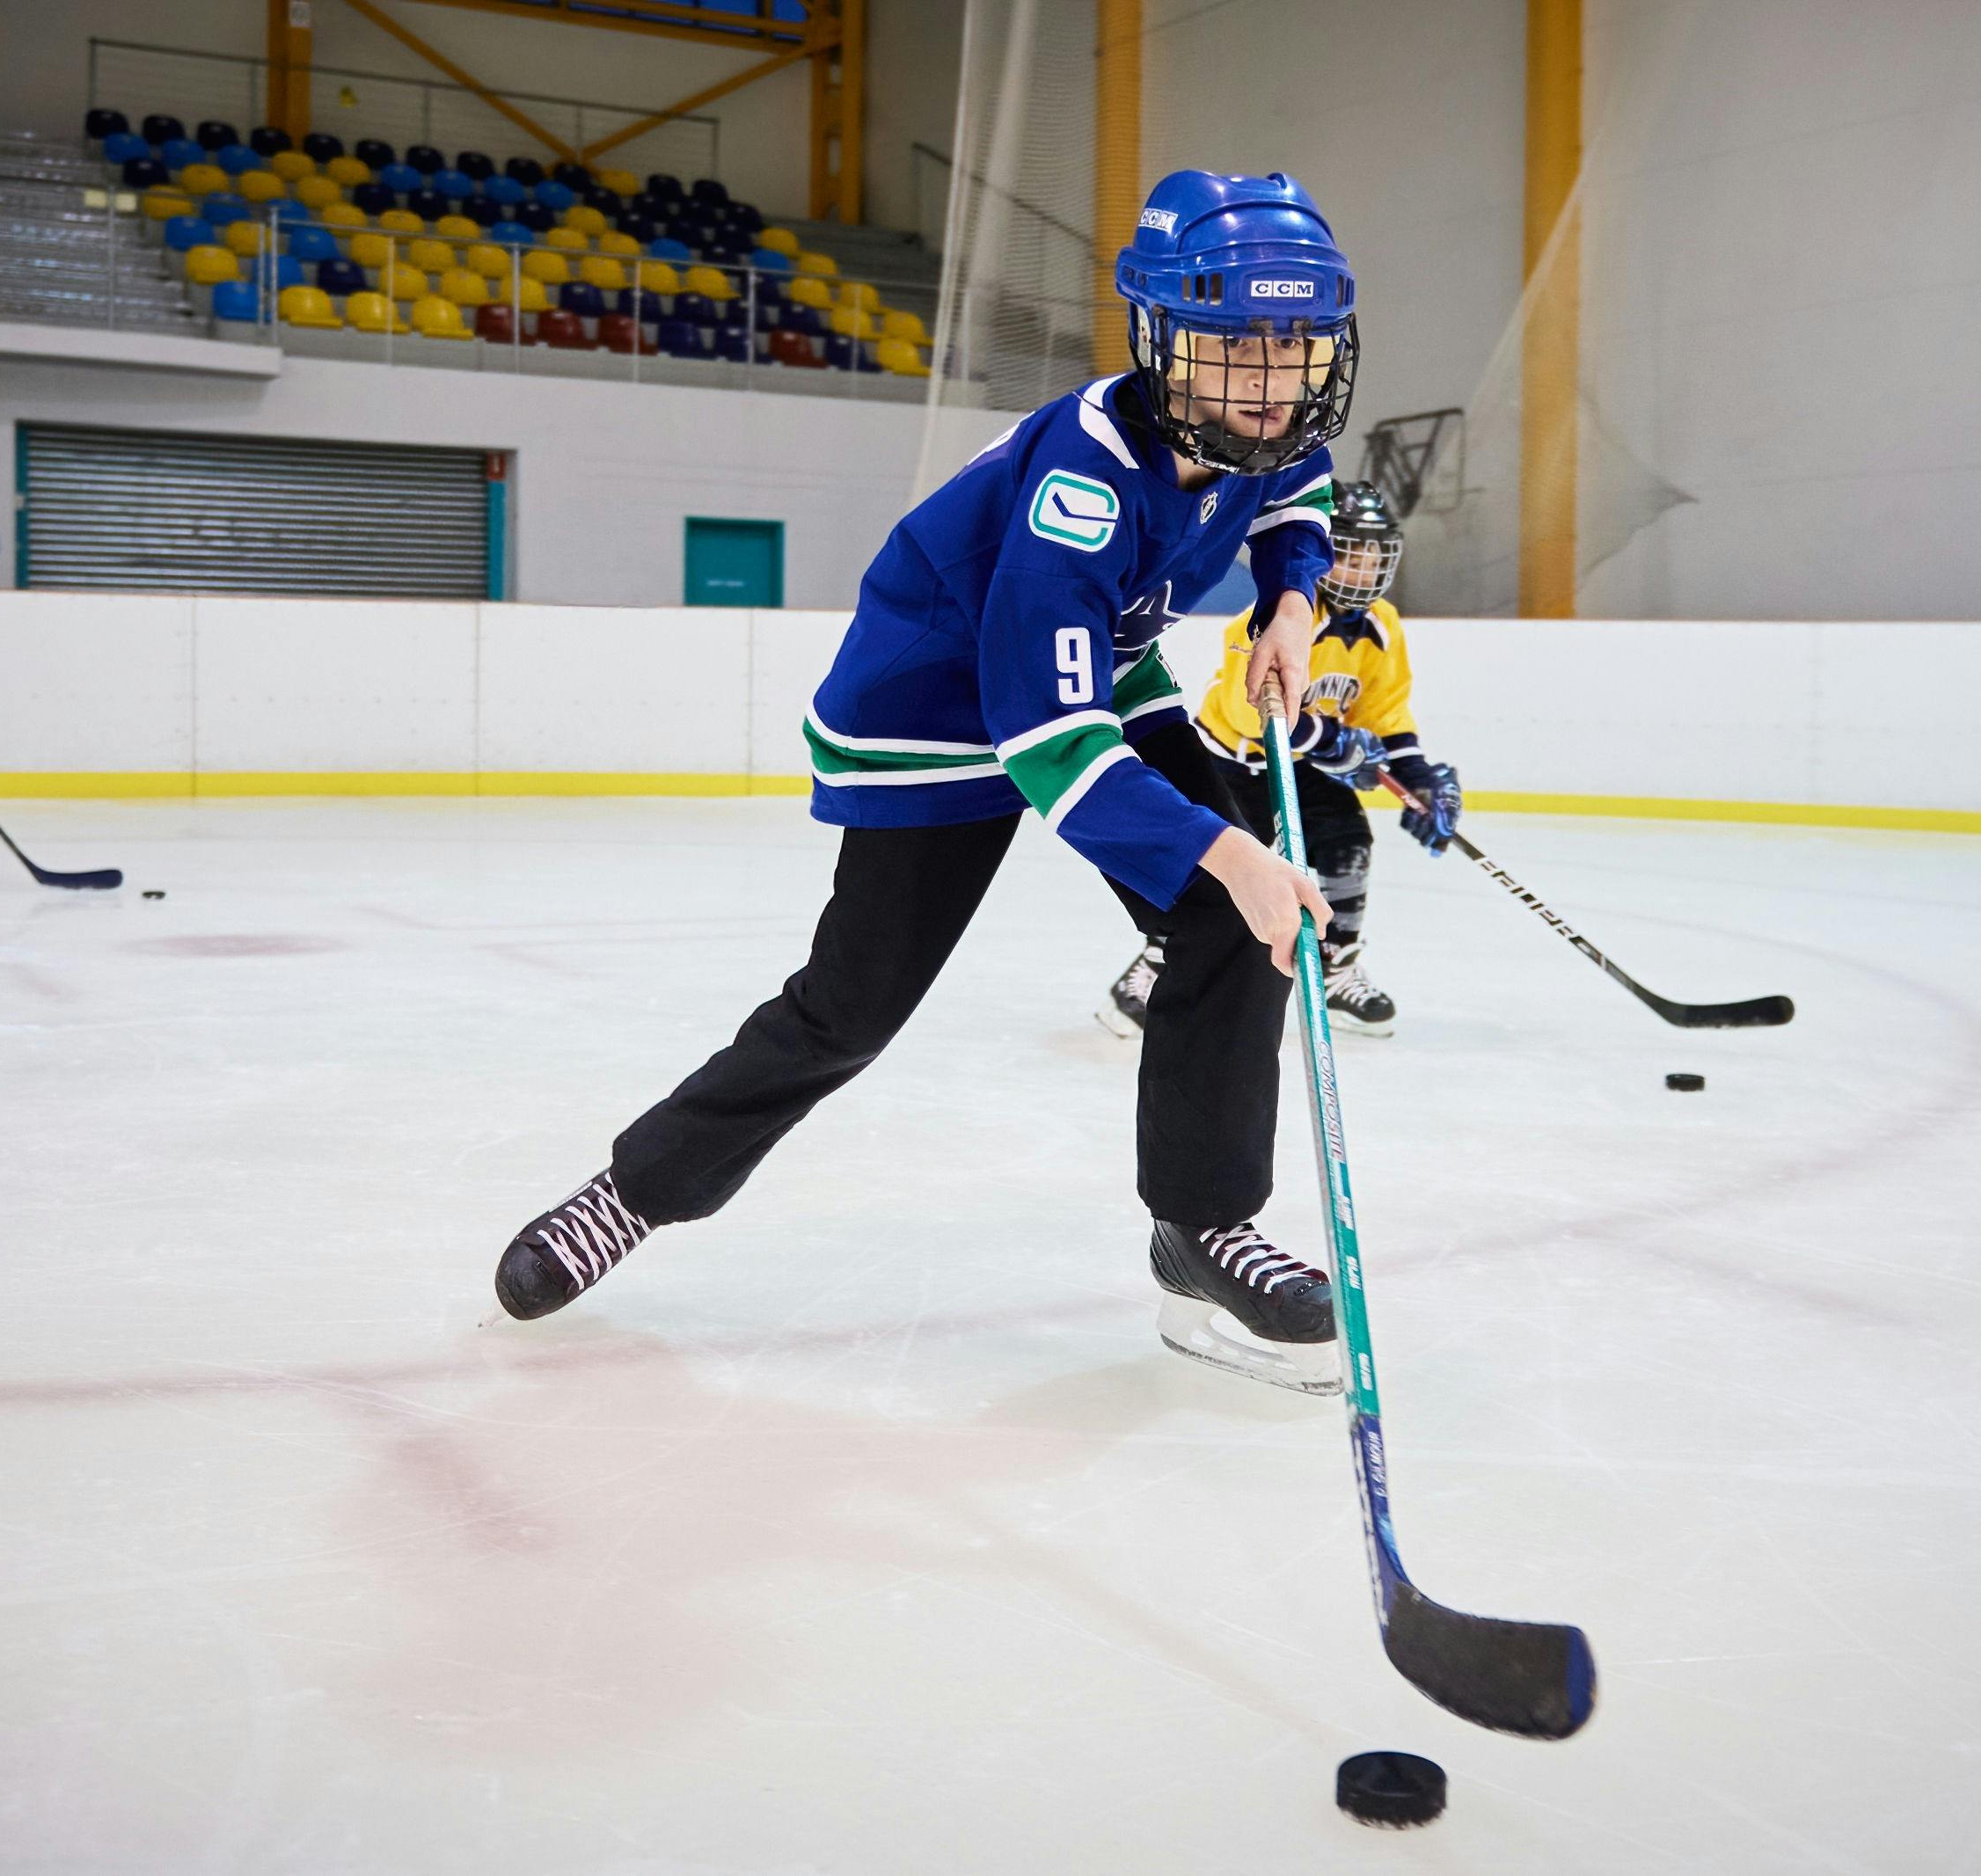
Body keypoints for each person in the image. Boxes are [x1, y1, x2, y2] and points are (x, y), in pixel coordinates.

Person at [491, 171, 1363, 1395]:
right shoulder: (1083, 488)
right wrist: (1232, 853)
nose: (1273, 379)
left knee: (1226, 913)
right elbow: (1049, 745)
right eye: (1237, 343)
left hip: (1096, 672)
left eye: (1295, 342)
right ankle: (632, 1192)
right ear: (1167, 344)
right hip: (937, 712)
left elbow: (1301, 495)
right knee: (850, 1011)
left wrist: (1288, 601)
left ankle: (1199, 1229)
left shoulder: (1257, 427)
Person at [1100, 480, 1461, 1039]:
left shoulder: (1381, 624)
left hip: (1303, 766)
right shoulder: (1275, 615)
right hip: (1233, 764)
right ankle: (1153, 969)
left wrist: (1415, 774)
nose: (1365, 569)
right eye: (1353, 552)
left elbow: (1386, 712)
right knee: (1215, 880)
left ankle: (1337, 967)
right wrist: (1330, 739)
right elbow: (1251, 715)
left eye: (1374, 555)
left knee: (1347, 845)